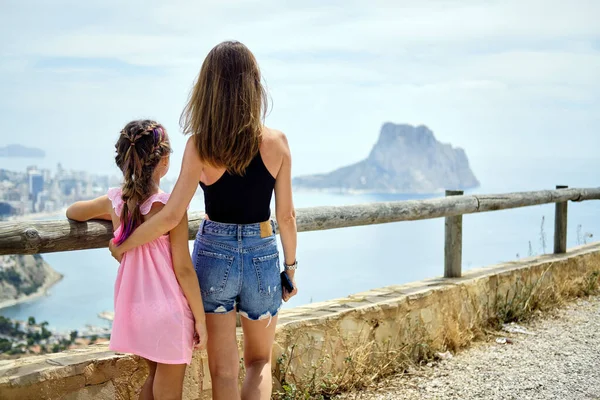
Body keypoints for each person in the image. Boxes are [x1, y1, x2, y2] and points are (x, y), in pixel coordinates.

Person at [109, 41, 298, 400]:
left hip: (215, 257)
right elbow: (285, 217)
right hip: (262, 253)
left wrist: (125, 241)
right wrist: (290, 269)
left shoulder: (200, 146)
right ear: (253, 86)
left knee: (223, 371)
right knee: (259, 362)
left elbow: (172, 214)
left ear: (208, 89)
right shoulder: (278, 143)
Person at [67, 120, 207, 400]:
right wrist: (201, 320)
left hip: (138, 309)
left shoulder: (115, 202)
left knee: (153, 379)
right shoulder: (169, 207)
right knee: (167, 390)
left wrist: (115, 218)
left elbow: (74, 212)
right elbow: (183, 269)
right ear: (164, 161)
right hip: (169, 311)